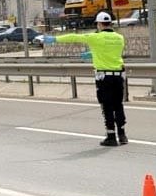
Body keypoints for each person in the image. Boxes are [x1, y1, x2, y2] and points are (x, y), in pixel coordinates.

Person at [41, 11, 127, 146]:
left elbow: (74, 37)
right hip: (119, 76)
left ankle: (111, 136)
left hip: (104, 78)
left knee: (107, 106)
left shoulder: (96, 37)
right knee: (118, 105)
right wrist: (93, 53)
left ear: (99, 24)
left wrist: (55, 39)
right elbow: (110, 52)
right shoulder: (119, 38)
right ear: (110, 23)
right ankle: (122, 135)